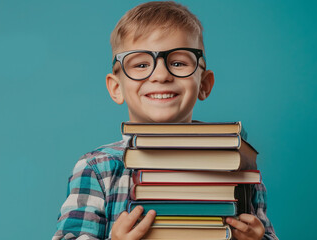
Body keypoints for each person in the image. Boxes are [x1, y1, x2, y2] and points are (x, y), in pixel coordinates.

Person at [53, 1, 278, 239]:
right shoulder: (98, 169)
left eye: (178, 63)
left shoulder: (236, 164)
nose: (161, 75)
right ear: (116, 87)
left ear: (204, 84)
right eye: (140, 64)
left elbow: (264, 232)